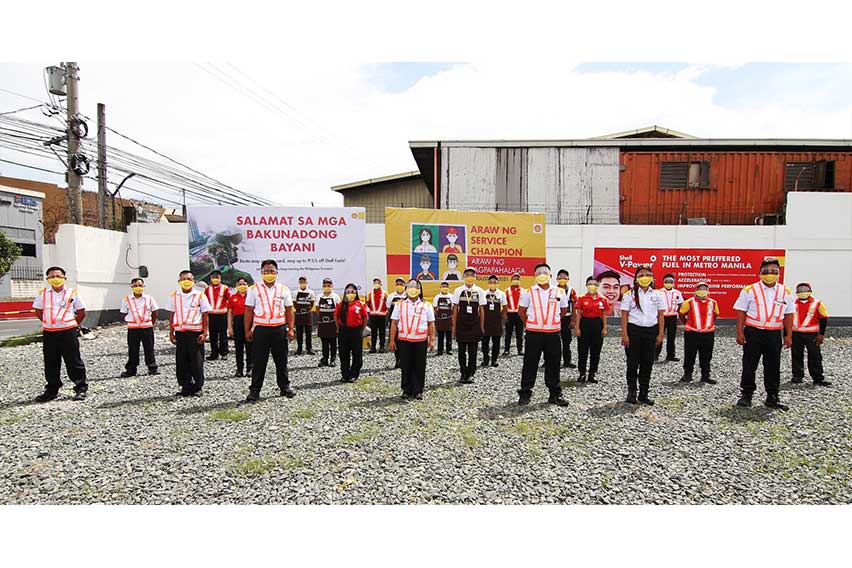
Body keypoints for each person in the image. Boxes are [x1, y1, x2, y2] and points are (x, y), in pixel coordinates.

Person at [733, 257, 796, 410]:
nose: (770, 274)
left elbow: (789, 314)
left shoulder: (785, 291)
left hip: (774, 334)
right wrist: (740, 332)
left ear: (779, 273)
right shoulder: (749, 290)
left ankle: (772, 397)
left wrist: (788, 335)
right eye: (766, 271)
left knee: (773, 366)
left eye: (774, 271)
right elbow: (741, 312)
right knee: (749, 364)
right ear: (760, 273)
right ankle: (746, 395)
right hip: (753, 332)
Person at [31, 266, 88, 402]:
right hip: (50, 333)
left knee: (73, 360)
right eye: (51, 276)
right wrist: (50, 323)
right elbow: (38, 312)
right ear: (47, 279)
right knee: (50, 361)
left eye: (58, 276)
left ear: (64, 278)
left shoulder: (72, 293)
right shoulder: (43, 293)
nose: (55, 279)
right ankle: (52, 390)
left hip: (68, 332)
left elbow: (81, 312)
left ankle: (80, 388)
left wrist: (72, 324)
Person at [244, 259, 295, 402]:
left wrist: (291, 329)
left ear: (277, 272)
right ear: (261, 272)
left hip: (279, 329)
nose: (269, 274)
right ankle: (254, 391)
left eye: (272, 271)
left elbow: (289, 310)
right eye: (266, 271)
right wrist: (247, 330)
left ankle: (285, 387)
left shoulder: (284, 289)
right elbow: (248, 310)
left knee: (282, 360)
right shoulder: (253, 289)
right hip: (261, 330)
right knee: (259, 361)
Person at [517, 263, 569, 406]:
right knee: (530, 363)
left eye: (545, 272)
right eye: (538, 272)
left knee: (554, 364)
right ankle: (525, 393)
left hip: (553, 334)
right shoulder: (528, 292)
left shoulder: (559, 292)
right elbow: (521, 311)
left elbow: (563, 311)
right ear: (534, 276)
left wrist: (553, 321)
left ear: (550, 275)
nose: (542, 275)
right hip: (534, 334)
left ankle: (555, 394)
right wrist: (531, 322)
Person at [620, 265, 664, 405]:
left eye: (648, 274)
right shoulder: (629, 295)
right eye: (641, 275)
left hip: (651, 331)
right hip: (634, 331)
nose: (645, 277)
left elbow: (661, 315)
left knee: (647, 363)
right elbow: (624, 315)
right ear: (636, 278)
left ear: (652, 277)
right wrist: (625, 334)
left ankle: (644, 393)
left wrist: (660, 334)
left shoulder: (657, 295)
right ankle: (632, 391)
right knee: (632, 363)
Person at [166, 270, 211, 397]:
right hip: (180, 332)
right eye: (183, 279)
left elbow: (205, 314)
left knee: (196, 361)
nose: (186, 281)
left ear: (194, 281)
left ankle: (197, 387)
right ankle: (185, 386)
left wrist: (205, 332)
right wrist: (171, 332)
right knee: (182, 361)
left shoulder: (200, 295)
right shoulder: (174, 295)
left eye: (189, 279)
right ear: (179, 281)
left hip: (195, 333)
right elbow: (172, 314)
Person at [389, 278, 435, 400]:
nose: (413, 289)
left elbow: (431, 324)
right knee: (406, 365)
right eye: (410, 286)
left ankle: (418, 390)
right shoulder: (400, 304)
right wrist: (392, 340)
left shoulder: (426, 305)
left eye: (415, 287)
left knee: (419, 365)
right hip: (404, 341)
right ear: (406, 290)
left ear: (420, 290)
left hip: (420, 340)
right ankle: (406, 389)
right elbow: (394, 323)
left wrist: (431, 340)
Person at [790, 282, 831, 386]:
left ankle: (818, 378)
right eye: (800, 289)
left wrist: (821, 334)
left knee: (815, 356)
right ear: (796, 292)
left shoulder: (817, 303)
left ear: (810, 291)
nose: (803, 291)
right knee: (796, 355)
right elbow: (787, 319)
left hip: (812, 335)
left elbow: (823, 319)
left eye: (805, 289)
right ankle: (797, 376)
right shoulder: (792, 304)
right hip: (796, 334)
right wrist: (787, 335)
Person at [678, 282, 719, 384]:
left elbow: (715, 315)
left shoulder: (713, 302)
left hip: (708, 333)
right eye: (700, 288)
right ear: (695, 290)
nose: (702, 290)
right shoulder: (689, 302)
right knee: (689, 354)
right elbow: (682, 314)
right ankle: (687, 374)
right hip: (692, 333)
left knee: (707, 355)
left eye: (704, 288)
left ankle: (705, 375)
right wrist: (687, 323)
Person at [119, 277, 159, 378]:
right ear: (131, 287)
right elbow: (123, 313)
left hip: (147, 327)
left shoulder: (149, 298)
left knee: (149, 348)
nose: (138, 287)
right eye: (135, 286)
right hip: (133, 328)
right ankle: (131, 370)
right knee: (133, 349)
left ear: (143, 286)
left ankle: (152, 368)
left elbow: (154, 312)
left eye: (140, 285)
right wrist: (130, 320)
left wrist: (151, 323)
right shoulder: (126, 299)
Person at [452, 267, 484, 384]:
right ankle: (463, 373)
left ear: (475, 277)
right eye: (467, 274)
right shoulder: (458, 290)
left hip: (474, 324)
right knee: (461, 351)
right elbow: (455, 309)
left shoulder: (480, 291)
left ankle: (471, 373)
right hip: (461, 324)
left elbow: (482, 310)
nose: (469, 276)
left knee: (473, 351)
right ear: (463, 276)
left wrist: (481, 327)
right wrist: (454, 327)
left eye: (472, 274)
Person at [573, 276, 608, 384]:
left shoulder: (602, 299)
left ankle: (592, 374)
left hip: (597, 325)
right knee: (582, 351)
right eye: (590, 284)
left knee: (595, 351)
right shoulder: (582, 298)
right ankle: (582, 373)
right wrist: (577, 328)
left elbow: (604, 315)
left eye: (594, 284)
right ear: (586, 285)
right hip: (585, 324)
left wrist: (604, 328)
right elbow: (578, 314)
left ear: (598, 286)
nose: (592, 286)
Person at [336, 283, 366, 383]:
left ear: (356, 292)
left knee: (357, 353)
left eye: (352, 291)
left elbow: (365, 317)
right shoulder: (341, 304)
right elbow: (336, 317)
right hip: (344, 331)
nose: (350, 294)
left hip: (356, 331)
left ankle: (354, 374)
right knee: (343, 353)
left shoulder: (360, 304)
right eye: (348, 292)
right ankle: (345, 374)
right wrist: (338, 328)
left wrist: (362, 329)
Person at [227, 277, 253, 378]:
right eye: (240, 284)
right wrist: (230, 327)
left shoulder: (251, 297)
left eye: (244, 284)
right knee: (238, 348)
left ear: (248, 285)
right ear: (237, 285)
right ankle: (239, 369)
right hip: (237, 324)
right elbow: (229, 313)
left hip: (249, 323)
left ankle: (250, 368)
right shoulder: (232, 297)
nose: (242, 286)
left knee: (250, 347)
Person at [655, 273, 684, 362]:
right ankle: (655, 355)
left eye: (670, 281)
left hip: (673, 317)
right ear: (663, 282)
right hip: (661, 317)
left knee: (671, 337)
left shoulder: (677, 292)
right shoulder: (658, 292)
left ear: (674, 282)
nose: (669, 283)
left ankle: (670, 355)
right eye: (667, 281)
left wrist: (679, 316)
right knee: (659, 335)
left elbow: (680, 304)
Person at [204, 270, 230, 361]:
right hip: (211, 315)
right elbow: (204, 301)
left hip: (222, 315)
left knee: (223, 335)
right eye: (213, 277)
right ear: (210, 279)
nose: (215, 279)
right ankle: (214, 354)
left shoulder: (225, 288)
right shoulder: (207, 289)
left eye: (217, 277)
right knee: (213, 335)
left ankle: (224, 353)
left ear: (220, 278)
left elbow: (229, 300)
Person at [481, 274, 506, 367]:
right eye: (491, 282)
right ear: (488, 283)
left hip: (496, 321)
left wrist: (501, 315)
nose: (493, 284)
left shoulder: (501, 294)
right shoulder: (483, 293)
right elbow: (481, 307)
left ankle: (494, 360)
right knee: (485, 342)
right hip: (486, 321)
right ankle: (485, 359)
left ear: (498, 283)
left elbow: (505, 306)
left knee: (496, 342)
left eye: (495, 282)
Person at [556, 269, 578, 369]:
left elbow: (574, 307)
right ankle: (550, 361)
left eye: (564, 277)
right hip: (555, 318)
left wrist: (573, 320)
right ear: (557, 278)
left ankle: (567, 361)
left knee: (566, 340)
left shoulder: (571, 291)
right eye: (560, 277)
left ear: (568, 279)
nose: (562, 279)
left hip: (567, 318)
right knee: (553, 341)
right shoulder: (553, 290)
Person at [316, 278, 341, 367]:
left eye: (329, 285)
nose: (327, 287)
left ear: (332, 286)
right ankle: (325, 359)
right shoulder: (319, 297)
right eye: (325, 285)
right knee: (324, 343)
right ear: (322, 286)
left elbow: (338, 311)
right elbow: (317, 309)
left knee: (333, 342)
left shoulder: (336, 297)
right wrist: (322, 319)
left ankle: (333, 360)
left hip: (332, 323)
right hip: (323, 323)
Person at [386, 278, 407, 369]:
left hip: (406, 323)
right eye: (397, 284)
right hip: (394, 323)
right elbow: (388, 310)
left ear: (405, 285)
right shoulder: (391, 296)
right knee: (395, 341)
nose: (399, 286)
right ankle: (397, 359)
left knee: (404, 342)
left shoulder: (407, 296)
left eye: (401, 284)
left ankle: (405, 360)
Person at [293, 276, 316, 356]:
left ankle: (309, 349)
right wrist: (300, 310)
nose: (302, 283)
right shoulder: (295, 292)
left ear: (306, 283)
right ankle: (299, 349)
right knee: (299, 333)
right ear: (299, 283)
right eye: (301, 282)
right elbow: (294, 304)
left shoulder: (311, 292)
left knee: (308, 333)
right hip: (299, 315)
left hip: (308, 315)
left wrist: (306, 311)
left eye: (304, 282)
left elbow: (312, 303)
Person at [503, 272, 524, 356]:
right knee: (508, 333)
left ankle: (520, 349)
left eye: (517, 279)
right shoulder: (507, 290)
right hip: (510, 314)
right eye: (514, 279)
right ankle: (506, 349)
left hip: (519, 314)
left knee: (520, 333)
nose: (516, 280)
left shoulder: (523, 291)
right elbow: (504, 304)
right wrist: (504, 314)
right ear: (511, 280)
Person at [366, 277, 388, 353]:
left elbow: (387, 303)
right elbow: (368, 303)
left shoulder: (385, 293)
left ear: (381, 284)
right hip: (373, 316)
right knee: (373, 332)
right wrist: (373, 311)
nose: (376, 284)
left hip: (382, 316)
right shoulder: (370, 293)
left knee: (382, 332)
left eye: (378, 282)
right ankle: (373, 347)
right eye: (375, 283)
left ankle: (382, 347)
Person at [432, 281, 454, 355]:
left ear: (448, 288)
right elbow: (435, 308)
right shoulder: (437, 297)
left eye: (446, 286)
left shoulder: (451, 296)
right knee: (440, 336)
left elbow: (454, 308)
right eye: (443, 286)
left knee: (449, 336)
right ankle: (440, 350)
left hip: (449, 319)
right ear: (440, 288)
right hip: (440, 319)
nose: (444, 288)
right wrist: (437, 316)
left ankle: (449, 350)